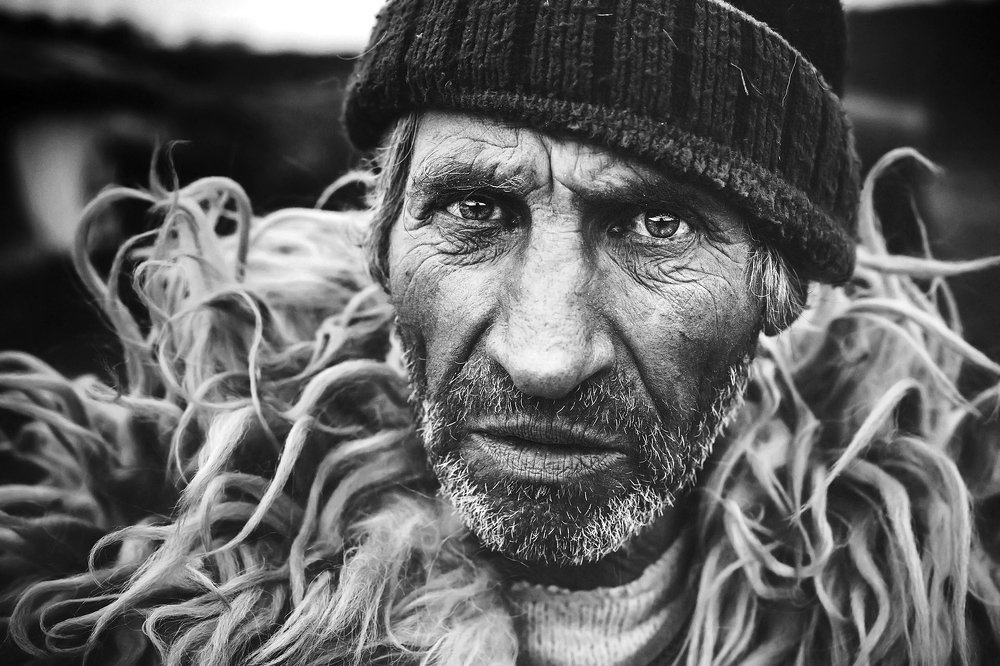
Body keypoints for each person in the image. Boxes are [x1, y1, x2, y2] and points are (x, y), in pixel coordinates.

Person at [2, 0, 999, 663]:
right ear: (382, 241)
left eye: (658, 224)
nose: (544, 356)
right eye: (475, 208)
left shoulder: (938, 626)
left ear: (779, 287)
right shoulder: (114, 610)